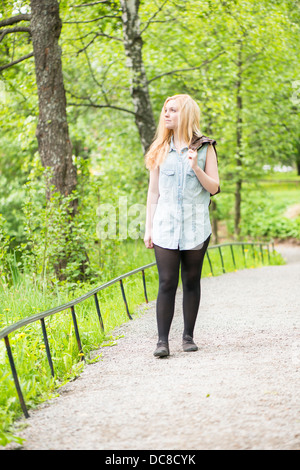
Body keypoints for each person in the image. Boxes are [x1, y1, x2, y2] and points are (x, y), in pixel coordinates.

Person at [144, 94, 220, 358]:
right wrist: (148, 228)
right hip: (165, 225)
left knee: (190, 280)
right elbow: (153, 193)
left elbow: (215, 187)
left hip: (195, 226)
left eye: (172, 110)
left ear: (185, 114)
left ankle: (188, 336)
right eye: (165, 110)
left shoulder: (204, 147)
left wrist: (196, 168)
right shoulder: (159, 149)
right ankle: (162, 342)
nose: (166, 114)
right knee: (166, 281)